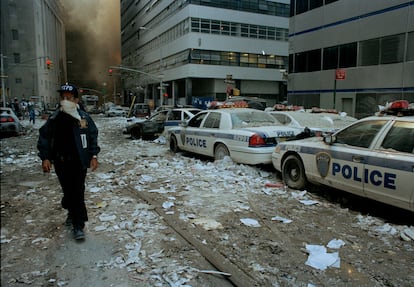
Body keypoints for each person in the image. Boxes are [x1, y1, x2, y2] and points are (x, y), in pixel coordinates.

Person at [37, 83, 100, 240]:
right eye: (63, 98)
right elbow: (44, 137)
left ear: (76, 100)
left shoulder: (83, 118)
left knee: (78, 191)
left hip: (79, 162)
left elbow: (92, 136)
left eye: (69, 98)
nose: (65, 101)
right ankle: (71, 210)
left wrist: (94, 156)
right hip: (61, 162)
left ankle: (79, 225)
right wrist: (45, 157)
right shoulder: (55, 118)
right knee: (68, 191)